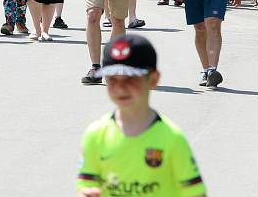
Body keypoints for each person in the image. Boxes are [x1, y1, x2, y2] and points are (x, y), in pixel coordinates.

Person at [76, 34, 207, 197]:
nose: (120, 88)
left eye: (130, 79)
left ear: (153, 79)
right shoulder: (95, 135)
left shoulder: (172, 138)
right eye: (112, 79)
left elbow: (195, 193)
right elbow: (87, 182)